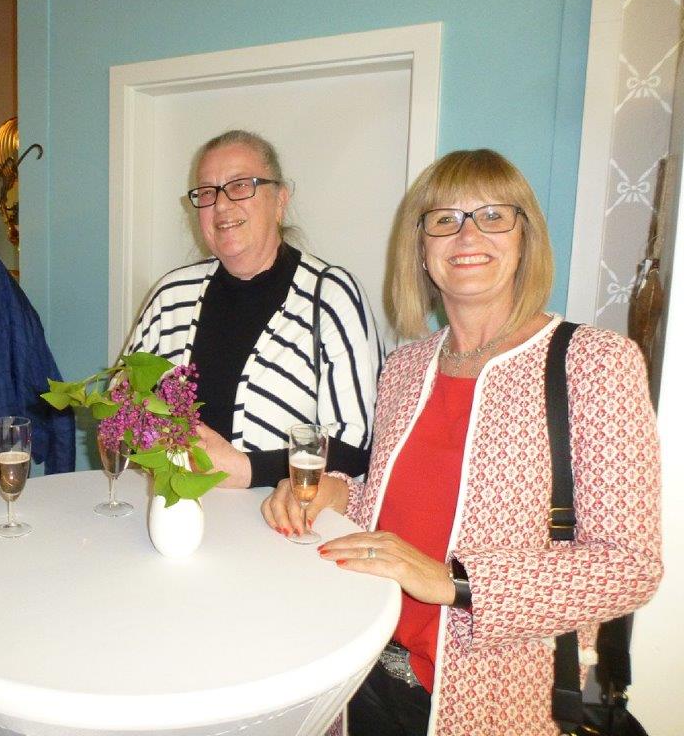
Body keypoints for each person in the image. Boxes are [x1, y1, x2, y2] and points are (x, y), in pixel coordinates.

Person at [262, 148, 662, 735]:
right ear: (422, 250)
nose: (467, 234)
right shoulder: (405, 367)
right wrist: (335, 493)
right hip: (364, 668)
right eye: (444, 219)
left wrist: (454, 581)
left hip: (495, 699)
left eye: (493, 215)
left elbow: (630, 567)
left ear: (525, 239)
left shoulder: (594, 363)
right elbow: (399, 507)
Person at [127, 130, 382, 490]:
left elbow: (357, 447)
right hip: (175, 509)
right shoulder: (169, 296)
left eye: (240, 186)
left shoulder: (330, 296)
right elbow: (121, 408)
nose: (221, 205)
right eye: (207, 192)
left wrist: (246, 470)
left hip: (282, 515)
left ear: (280, 200)